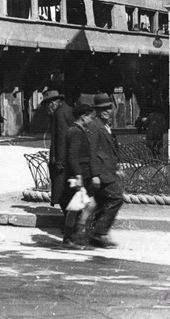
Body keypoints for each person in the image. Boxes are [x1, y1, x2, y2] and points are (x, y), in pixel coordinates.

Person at [84, 93, 124, 248]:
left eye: (109, 107)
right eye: (103, 109)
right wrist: (94, 175)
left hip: (108, 171)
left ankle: (94, 234)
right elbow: (92, 152)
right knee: (116, 199)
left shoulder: (105, 126)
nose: (107, 111)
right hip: (101, 173)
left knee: (103, 202)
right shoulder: (95, 127)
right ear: (97, 111)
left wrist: (117, 168)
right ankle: (99, 233)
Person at [62, 103, 97, 249]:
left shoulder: (77, 130)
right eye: (91, 117)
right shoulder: (76, 132)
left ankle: (70, 237)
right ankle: (73, 237)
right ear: (83, 117)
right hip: (79, 174)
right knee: (82, 206)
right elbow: (72, 155)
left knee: (76, 207)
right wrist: (78, 175)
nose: (92, 121)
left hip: (80, 173)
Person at [44, 89, 76, 214]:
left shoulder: (60, 113)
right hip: (69, 157)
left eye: (48, 104)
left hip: (63, 160)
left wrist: (59, 161)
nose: (47, 108)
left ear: (53, 102)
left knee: (62, 194)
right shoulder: (66, 110)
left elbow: (62, 137)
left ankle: (69, 224)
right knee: (67, 192)